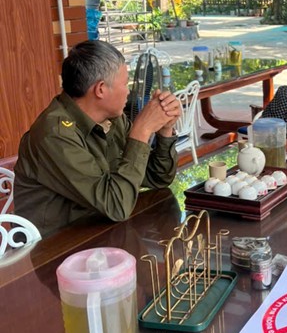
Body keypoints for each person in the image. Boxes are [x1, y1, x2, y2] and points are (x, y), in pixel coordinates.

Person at [14, 40, 182, 236]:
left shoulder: (113, 119)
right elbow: (116, 205)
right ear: (101, 89)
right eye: (124, 84)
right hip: (55, 245)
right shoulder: (55, 134)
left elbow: (157, 177)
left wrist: (165, 131)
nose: (129, 91)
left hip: (100, 230)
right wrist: (141, 131)